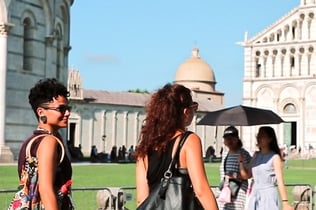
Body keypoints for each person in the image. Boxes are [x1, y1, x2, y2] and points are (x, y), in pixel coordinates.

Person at [134, 83, 218, 210]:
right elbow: (201, 190)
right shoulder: (189, 141)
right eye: (194, 108)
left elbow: (142, 198)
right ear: (186, 111)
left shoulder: (145, 148)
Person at [17, 78, 73, 209]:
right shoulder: (49, 142)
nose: (68, 113)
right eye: (61, 108)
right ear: (41, 112)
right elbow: (46, 190)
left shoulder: (30, 141)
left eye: (68, 108)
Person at [245, 126, 293, 210]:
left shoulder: (274, 157)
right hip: (255, 194)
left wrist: (285, 202)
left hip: (269, 195)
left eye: (262, 136)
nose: (259, 138)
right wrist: (241, 163)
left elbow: (280, 181)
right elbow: (248, 175)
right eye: (258, 136)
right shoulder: (256, 155)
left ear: (270, 139)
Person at [218, 126, 252, 210]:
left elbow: (248, 175)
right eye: (227, 139)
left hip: (237, 194)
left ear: (237, 139)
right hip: (225, 193)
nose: (229, 141)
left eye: (232, 138)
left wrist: (234, 176)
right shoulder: (225, 155)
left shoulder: (244, 154)